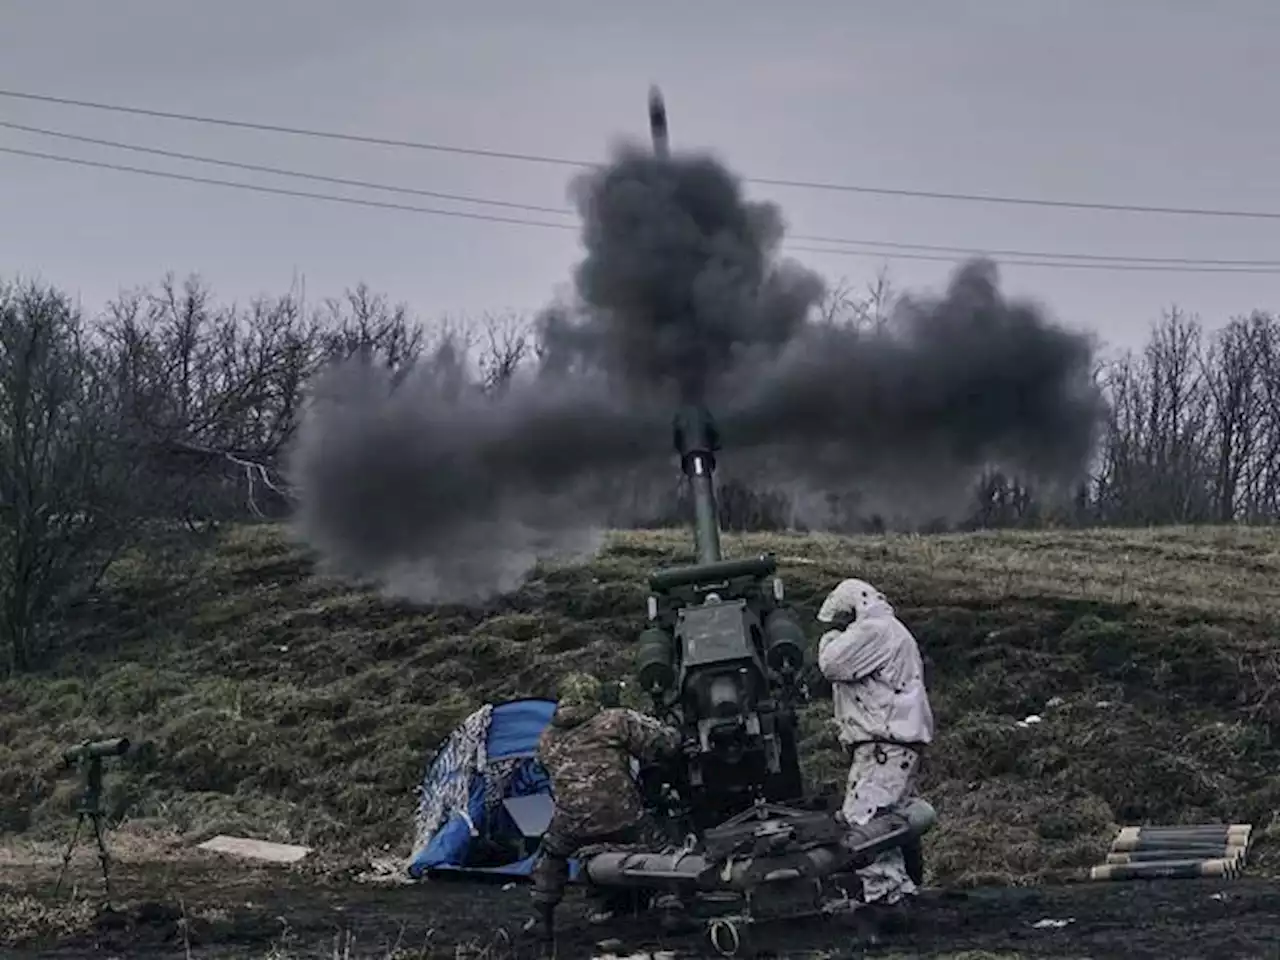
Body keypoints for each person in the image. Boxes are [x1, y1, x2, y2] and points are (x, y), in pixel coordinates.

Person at [815, 577, 934, 937]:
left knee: (863, 823)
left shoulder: (875, 630)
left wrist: (828, 638)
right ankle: (899, 893)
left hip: (885, 743)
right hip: (894, 742)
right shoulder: (889, 629)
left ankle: (882, 902)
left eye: (840, 621)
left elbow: (832, 664)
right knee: (887, 823)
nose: (838, 629)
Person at [528, 671, 684, 944]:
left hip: (571, 821)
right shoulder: (616, 720)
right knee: (661, 844)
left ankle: (542, 917)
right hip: (621, 815)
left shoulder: (546, 737)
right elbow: (664, 743)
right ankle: (671, 909)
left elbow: (541, 767)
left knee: (549, 856)